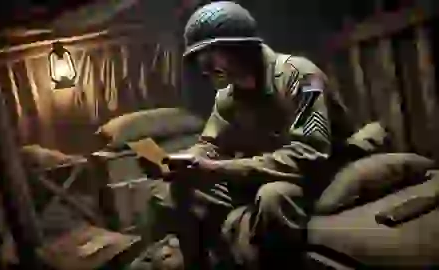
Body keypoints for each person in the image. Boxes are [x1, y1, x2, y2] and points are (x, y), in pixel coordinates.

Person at [132, 1, 381, 269]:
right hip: (266, 170)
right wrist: (179, 161)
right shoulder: (228, 96)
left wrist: (217, 168)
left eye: (209, 55)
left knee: (273, 197)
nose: (203, 68)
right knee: (179, 188)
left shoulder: (300, 75)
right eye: (198, 59)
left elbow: (309, 155)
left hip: (321, 169)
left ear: (239, 48)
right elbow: (210, 144)